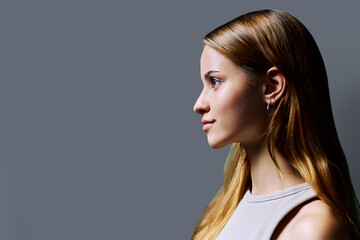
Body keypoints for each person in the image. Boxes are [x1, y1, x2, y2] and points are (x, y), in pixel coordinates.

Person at [192, 9, 360, 240]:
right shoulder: (223, 212)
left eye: (215, 81)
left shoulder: (311, 227)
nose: (199, 104)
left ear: (271, 86)